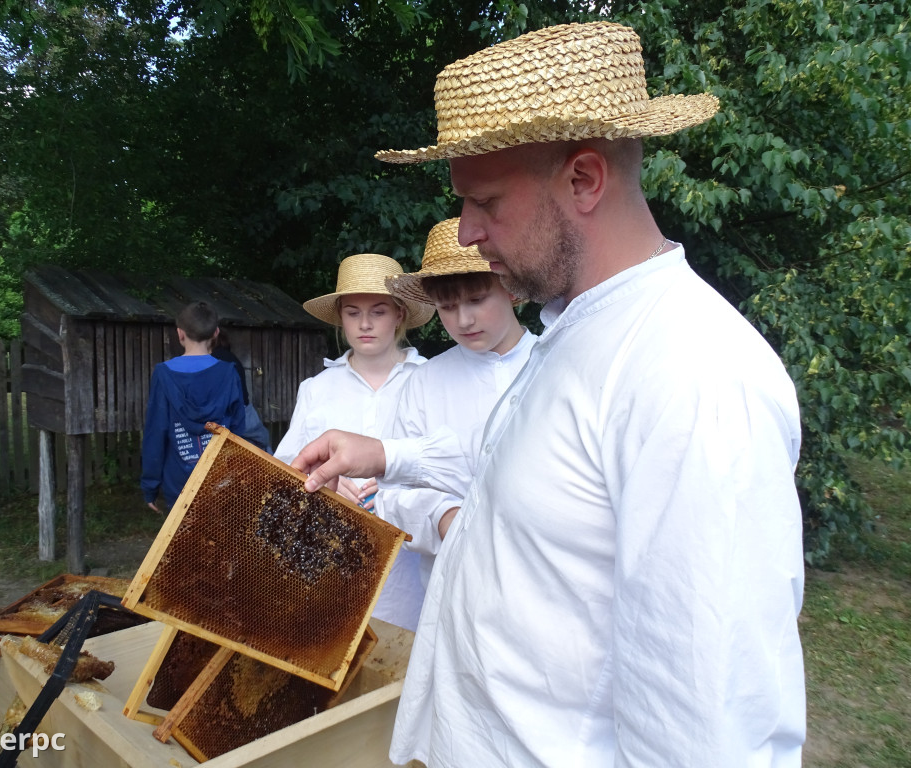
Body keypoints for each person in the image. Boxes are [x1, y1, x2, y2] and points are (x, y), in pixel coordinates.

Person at [292, 22, 806, 767]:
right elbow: (534, 481)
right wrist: (386, 454)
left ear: (584, 180)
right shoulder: (578, 328)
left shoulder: (693, 375)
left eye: (485, 201)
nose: (465, 232)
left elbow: (712, 722)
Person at [273, 253, 434, 632]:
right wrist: (323, 479)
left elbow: (451, 464)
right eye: (352, 312)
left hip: (409, 568)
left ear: (399, 314)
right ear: (340, 317)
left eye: (378, 312)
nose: (364, 324)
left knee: (404, 665)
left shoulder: (432, 380)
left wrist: (397, 471)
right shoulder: (316, 389)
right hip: (328, 564)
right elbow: (284, 470)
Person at [375, 217, 536, 588]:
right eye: (447, 307)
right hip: (453, 583)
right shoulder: (425, 383)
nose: (463, 319)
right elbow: (393, 495)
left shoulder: (554, 362)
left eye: (477, 300)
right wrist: (444, 517)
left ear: (510, 288)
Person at [141, 301, 247, 512]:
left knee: (182, 543)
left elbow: (156, 432)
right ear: (216, 333)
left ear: (180, 334)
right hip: (220, 480)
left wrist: (150, 486)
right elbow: (238, 431)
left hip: (178, 484)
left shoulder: (164, 374)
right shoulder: (229, 372)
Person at [211, 318, 272, 452]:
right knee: (261, 446)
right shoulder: (231, 358)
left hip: (233, 414)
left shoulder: (215, 360)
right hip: (245, 410)